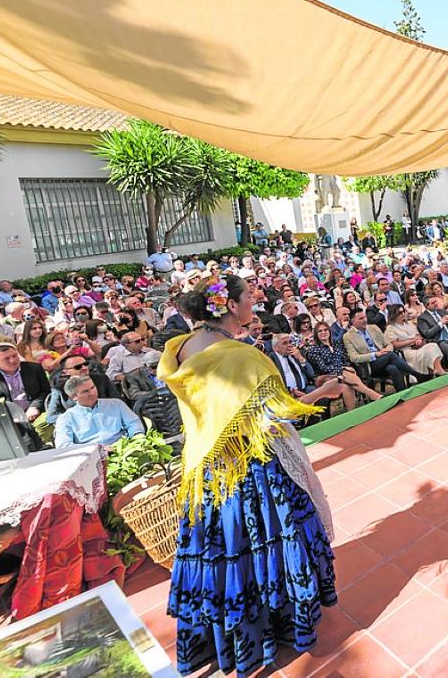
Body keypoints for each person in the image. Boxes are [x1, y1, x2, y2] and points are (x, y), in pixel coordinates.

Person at [158, 276, 342, 677]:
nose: (254, 307)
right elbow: (281, 411)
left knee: (221, 551)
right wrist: (321, 394)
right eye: (249, 300)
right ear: (229, 307)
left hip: (208, 468)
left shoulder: (181, 349)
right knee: (266, 544)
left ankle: (224, 637)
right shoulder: (239, 357)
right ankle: (279, 626)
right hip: (251, 467)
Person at [53, 374, 144, 448]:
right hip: (91, 458)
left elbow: (133, 423)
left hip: (123, 448)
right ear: (73, 397)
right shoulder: (66, 419)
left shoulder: (116, 404)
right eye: (85, 391)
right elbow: (64, 445)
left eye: (93, 387)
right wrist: (96, 451)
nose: (92, 393)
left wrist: (136, 437)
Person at [341, 308, 416, 391]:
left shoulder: (374, 328)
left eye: (365, 317)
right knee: (390, 355)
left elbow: (388, 344)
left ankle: (403, 393)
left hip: (385, 358)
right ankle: (416, 374)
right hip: (369, 365)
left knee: (393, 368)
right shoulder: (347, 336)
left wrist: (386, 351)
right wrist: (375, 354)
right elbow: (354, 357)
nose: (365, 320)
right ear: (352, 321)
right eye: (361, 319)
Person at [384, 304, 447, 378]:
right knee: (427, 352)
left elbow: (418, 336)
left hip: (416, 347)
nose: (403, 314)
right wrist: (412, 341)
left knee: (433, 345)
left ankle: (438, 369)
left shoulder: (409, 323)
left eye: (403, 311)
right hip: (405, 351)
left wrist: (419, 340)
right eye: (400, 313)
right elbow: (395, 344)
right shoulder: (390, 328)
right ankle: (429, 375)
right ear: (394, 315)